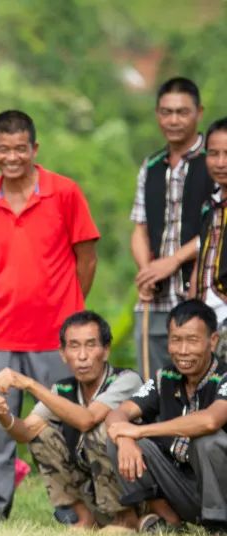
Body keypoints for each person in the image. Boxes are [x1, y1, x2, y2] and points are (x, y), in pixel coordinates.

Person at [0, 110, 100, 521]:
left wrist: (69, 313)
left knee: (58, 423)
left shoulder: (64, 192)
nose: (12, 157)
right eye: (3, 149)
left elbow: (87, 259)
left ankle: (68, 507)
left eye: (20, 148)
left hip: (54, 333)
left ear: (34, 149)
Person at [0, 311, 142, 529]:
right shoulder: (63, 389)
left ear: (106, 351)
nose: (82, 356)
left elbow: (88, 419)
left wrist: (30, 384)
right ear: (62, 353)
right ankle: (84, 518)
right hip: (93, 483)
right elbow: (26, 432)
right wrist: (2, 413)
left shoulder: (126, 380)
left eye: (91, 345)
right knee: (42, 435)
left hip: (137, 485)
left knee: (101, 430)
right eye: (74, 346)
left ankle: (125, 520)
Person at [106, 300, 227, 533]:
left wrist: (139, 431)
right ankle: (169, 522)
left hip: (222, 490)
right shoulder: (165, 377)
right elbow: (117, 413)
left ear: (212, 341)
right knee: (117, 438)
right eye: (175, 340)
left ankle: (218, 528)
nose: (182, 351)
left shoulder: (223, 377)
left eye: (192, 340)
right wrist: (125, 439)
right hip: (186, 489)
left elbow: (210, 420)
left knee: (207, 439)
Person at [130, 78, 213, 380]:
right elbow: (139, 226)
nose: (173, 120)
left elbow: (217, 225)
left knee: (203, 383)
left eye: (182, 112)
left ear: (198, 112)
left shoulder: (215, 160)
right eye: (166, 112)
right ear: (157, 114)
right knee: (152, 384)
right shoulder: (151, 165)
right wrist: (147, 270)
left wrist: (175, 260)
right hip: (156, 299)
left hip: (201, 294)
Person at [191, 117, 227, 363]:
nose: (221, 163)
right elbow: (203, 257)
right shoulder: (210, 205)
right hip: (208, 319)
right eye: (213, 154)